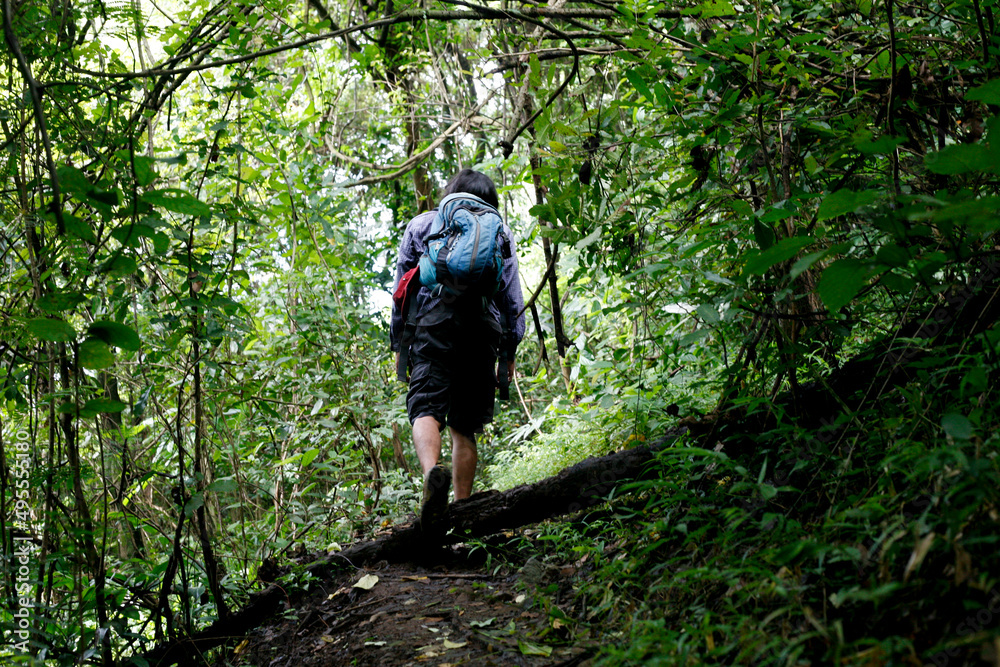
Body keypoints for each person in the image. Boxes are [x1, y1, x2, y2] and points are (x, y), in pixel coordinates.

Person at [390, 169, 525, 533]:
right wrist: (509, 350)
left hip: (435, 324)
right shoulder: (500, 233)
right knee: (464, 427)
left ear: (451, 196)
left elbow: (404, 287)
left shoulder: (424, 225)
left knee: (425, 407)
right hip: (483, 328)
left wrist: (400, 342)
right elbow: (511, 298)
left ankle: (432, 474)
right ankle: (462, 512)